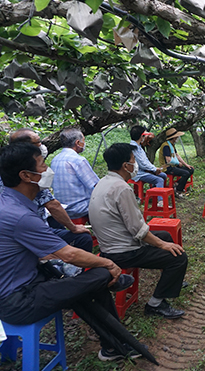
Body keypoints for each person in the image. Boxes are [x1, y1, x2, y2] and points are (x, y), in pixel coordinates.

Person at [0, 143, 144, 362]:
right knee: (100, 274)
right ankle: (114, 340)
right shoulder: (20, 216)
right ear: (26, 175)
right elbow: (68, 254)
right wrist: (108, 264)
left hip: (25, 282)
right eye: (42, 164)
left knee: (89, 284)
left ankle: (113, 346)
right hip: (18, 300)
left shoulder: (9, 201)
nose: (48, 169)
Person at [89, 143, 188, 319]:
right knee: (178, 257)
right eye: (133, 160)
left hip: (109, 245)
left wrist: (162, 241)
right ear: (125, 165)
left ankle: (170, 278)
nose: (135, 165)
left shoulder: (103, 182)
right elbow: (138, 230)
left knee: (165, 235)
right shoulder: (122, 188)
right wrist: (163, 245)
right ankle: (155, 304)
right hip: (123, 252)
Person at [1, 128, 93, 252]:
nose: (42, 145)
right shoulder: (30, 176)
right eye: (38, 142)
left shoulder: (54, 159)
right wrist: (73, 228)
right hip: (30, 230)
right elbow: (52, 204)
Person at [51, 128, 99, 220]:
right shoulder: (78, 160)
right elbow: (95, 185)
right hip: (80, 209)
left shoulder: (55, 159)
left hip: (62, 207)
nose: (84, 143)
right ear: (77, 143)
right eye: (83, 140)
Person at [158, 128, 194, 199]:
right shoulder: (166, 146)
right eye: (177, 137)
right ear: (174, 138)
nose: (177, 138)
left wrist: (186, 164)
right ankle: (178, 190)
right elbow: (168, 160)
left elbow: (177, 155)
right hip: (167, 168)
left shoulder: (171, 145)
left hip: (173, 166)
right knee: (185, 173)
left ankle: (177, 184)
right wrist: (177, 163)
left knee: (190, 169)